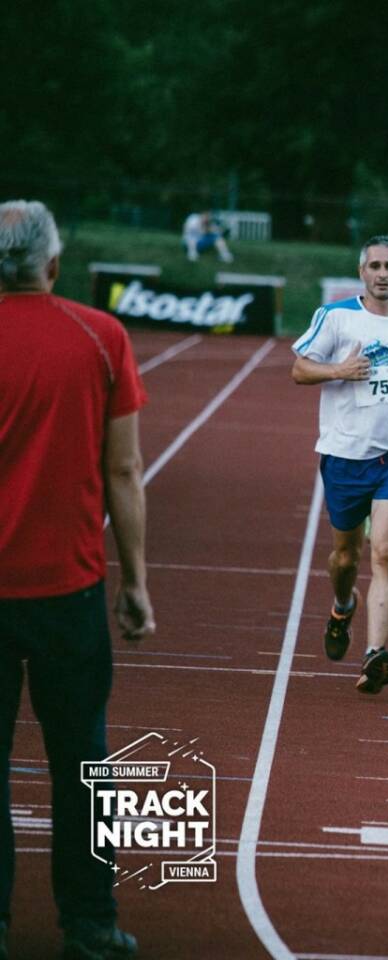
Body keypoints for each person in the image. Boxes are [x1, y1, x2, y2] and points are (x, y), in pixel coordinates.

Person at [0, 200, 154, 959]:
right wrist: (136, 584)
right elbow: (123, 469)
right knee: (82, 764)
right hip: (68, 588)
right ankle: (90, 925)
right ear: (53, 264)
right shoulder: (101, 337)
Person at [291, 235, 388, 694]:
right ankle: (341, 606)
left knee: (386, 553)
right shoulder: (335, 317)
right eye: (374, 265)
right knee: (345, 557)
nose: (381, 273)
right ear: (362, 272)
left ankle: (375, 654)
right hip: (344, 453)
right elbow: (299, 368)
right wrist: (338, 371)